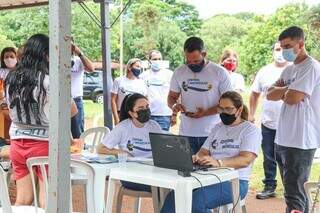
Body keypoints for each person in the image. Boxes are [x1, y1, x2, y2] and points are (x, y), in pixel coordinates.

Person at [5, 34, 79, 208]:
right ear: (46, 54)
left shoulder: (11, 79)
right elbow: (72, 111)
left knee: (22, 200)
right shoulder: (50, 79)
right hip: (45, 144)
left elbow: (9, 110)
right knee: (48, 201)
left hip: (17, 142)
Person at [161, 91, 261, 213]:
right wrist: (197, 157)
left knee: (197, 200)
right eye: (221, 109)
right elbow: (203, 151)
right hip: (209, 177)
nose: (224, 113)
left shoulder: (250, 130)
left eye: (228, 109)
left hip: (236, 181)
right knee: (175, 195)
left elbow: (245, 160)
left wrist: (218, 162)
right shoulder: (218, 128)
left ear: (239, 110)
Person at [267, 26, 320, 213]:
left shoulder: (311, 67)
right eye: (282, 47)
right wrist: (288, 90)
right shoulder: (290, 70)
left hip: (300, 139)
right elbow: (269, 94)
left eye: (288, 46)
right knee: (293, 192)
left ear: (301, 44)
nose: (284, 51)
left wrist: (285, 91)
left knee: (294, 195)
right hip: (283, 138)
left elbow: (293, 98)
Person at [167, 36, 232, 154]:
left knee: (210, 170)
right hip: (186, 133)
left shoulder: (219, 72)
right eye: (188, 61)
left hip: (212, 133)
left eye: (196, 61)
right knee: (186, 170)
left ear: (204, 54)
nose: (192, 65)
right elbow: (171, 97)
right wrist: (174, 105)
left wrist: (206, 112)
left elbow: (229, 104)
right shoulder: (179, 72)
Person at [97, 93, 162, 191]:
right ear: (131, 113)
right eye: (140, 108)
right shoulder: (123, 127)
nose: (145, 110)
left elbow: (162, 150)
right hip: (130, 174)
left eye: (147, 107)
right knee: (162, 188)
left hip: (152, 171)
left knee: (170, 186)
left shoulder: (154, 126)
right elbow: (100, 148)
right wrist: (121, 152)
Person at [249, 42, 289, 199]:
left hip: (288, 124)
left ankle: (289, 189)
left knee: (287, 158)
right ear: (273, 51)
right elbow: (254, 93)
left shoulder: (293, 69)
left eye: (283, 49)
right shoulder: (264, 71)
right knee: (269, 157)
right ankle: (269, 185)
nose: (280, 52)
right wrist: (251, 114)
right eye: (277, 49)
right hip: (268, 123)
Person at [140, 50, 173, 131]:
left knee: (162, 141)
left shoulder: (169, 74)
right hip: (147, 114)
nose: (157, 61)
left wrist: (174, 114)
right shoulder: (143, 76)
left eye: (159, 59)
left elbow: (175, 94)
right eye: (155, 59)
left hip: (164, 114)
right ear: (149, 61)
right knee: (147, 140)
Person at [111, 58, 147, 125]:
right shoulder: (119, 81)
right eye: (137, 66)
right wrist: (116, 118)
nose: (139, 69)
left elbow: (145, 99)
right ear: (130, 67)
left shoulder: (141, 82)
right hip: (122, 114)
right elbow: (113, 100)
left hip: (138, 115)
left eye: (140, 67)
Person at [70, 39, 95, 138]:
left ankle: (79, 151)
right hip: (59, 100)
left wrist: (79, 52)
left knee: (77, 132)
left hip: (76, 99)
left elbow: (91, 68)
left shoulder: (78, 60)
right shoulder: (54, 60)